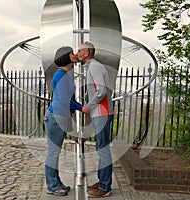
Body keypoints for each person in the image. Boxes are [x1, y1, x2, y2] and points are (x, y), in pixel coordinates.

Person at [44, 46, 84, 196]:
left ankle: (56, 182)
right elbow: (64, 99)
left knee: (55, 151)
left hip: (59, 116)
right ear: (66, 56)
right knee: (53, 152)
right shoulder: (61, 75)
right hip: (56, 117)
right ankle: (52, 186)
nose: (75, 55)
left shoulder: (64, 74)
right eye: (72, 53)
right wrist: (82, 108)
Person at [76, 42, 114, 198]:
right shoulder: (91, 67)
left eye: (79, 51)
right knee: (101, 148)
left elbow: (101, 91)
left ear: (87, 53)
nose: (76, 53)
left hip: (102, 113)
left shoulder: (95, 67)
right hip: (100, 113)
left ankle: (105, 187)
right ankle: (102, 180)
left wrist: (88, 106)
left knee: (103, 150)